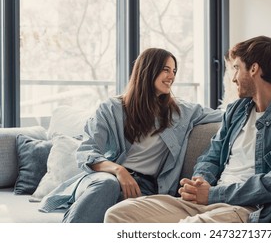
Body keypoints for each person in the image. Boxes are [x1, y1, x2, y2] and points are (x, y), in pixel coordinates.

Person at [104, 35, 271, 223]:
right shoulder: (237, 110)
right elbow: (212, 156)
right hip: (206, 201)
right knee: (118, 214)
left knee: (190, 229)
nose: (233, 78)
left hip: (244, 209)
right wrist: (200, 181)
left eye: (236, 68)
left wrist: (213, 195)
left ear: (253, 69)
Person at [38, 48, 223, 222]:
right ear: (148, 70)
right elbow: (87, 151)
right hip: (105, 177)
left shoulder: (181, 111)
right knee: (107, 185)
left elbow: (226, 114)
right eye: (166, 70)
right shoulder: (111, 109)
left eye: (174, 71)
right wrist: (119, 171)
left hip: (147, 187)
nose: (172, 76)